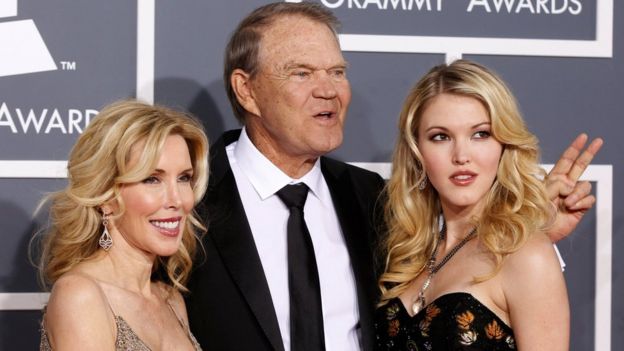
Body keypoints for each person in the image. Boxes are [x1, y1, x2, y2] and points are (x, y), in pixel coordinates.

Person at [185, 3, 601, 351]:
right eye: (302, 73)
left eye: (337, 71)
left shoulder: (368, 200)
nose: (329, 90)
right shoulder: (187, 201)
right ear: (246, 90)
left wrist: (530, 232)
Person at [374, 60, 601, 350]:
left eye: (480, 134)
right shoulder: (406, 253)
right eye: (440, 137)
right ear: (417, 152)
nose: (461, 155)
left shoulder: (526, 256)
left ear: (504, 145)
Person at [37, 100, 209, 350]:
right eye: (152, 179)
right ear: (106, 197)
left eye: (184, 178)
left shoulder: (170, 300)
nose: (178, 200)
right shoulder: (81, 296)